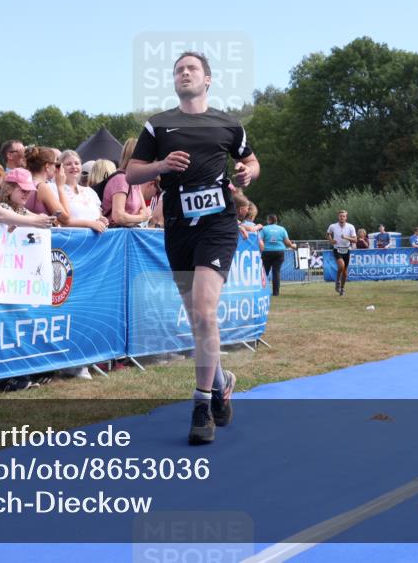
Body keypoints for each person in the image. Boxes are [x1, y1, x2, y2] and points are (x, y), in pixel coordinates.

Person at [126, 50, 260, 445]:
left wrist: (246, 172)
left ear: (208, 80)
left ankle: (202, 406)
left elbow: (252, 163)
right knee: (195, 317)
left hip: (218, 225)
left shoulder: (229, 124)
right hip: (178, 227)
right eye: (178, 70)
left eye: (191, 69)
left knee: (204, 311)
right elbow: (132, 172)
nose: (184, 74)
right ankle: (222, 381)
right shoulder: (159, 125)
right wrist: (162, 166)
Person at [102, 138, 151, 227]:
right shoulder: (121, 179)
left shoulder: (135, 181)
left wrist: (139, 217)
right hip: (114, 236)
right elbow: (118, 217)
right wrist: (141, 218)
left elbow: (144, 211)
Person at [58, 150, 108, 233]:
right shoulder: (54, 189)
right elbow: (60, 220)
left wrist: (102, 219)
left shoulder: (90, 191)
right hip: (71, 240)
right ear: (60, 168)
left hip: (95, 240)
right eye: (68, 164)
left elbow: (98, 215)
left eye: (77, 163)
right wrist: (90, 223)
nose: (74, 167)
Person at [23, 146, 70, 223]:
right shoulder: (42, 187)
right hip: (39, 233)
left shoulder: (24, 183)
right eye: (55, 164)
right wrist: (60, 187)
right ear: (47, 166)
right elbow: (65, 219)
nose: (56, 168)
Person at [260, 214, 295, 297]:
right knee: (276, 272)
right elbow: (287, 242)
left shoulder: (264, 229)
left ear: (268, 220)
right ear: (276, 221)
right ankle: (276, 293)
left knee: (264, 272)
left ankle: (262, 291)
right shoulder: (282, 229)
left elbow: (260, 240)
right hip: (279, 252)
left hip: (267, 252)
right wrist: (292, 246)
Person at [326, 210, 358, 296]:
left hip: (346, 250)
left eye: (343, 216)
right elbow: (328, 233)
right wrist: (331, 240)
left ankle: (342, 288)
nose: (342, 217)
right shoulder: (333, 226)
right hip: (337, 249)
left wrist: (346, 237)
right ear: (338, 217)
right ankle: (337, 281)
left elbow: (355, 240)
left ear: (346, 217)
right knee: (341, 265)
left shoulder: (350, 227)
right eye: (340, 216)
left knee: (345, 272)